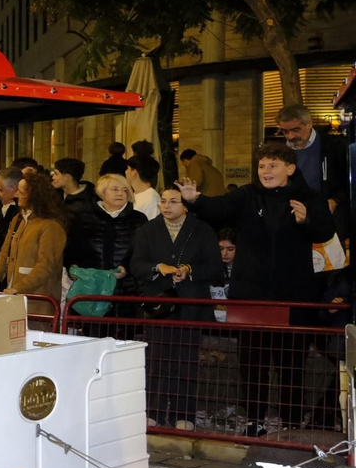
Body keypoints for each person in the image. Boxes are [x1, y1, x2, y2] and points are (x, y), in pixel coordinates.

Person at [181, 141, 336, 434]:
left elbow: (326, 231)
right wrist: (194, 200)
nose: (266, 171)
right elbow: (218, 209)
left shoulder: (308, 197)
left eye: (273, 165)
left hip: (294, 297)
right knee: (252, 365)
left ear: (290, 168)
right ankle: (253, 421)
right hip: (251, 296)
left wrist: (307, 221)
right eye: (262, 165)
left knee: (292, 366)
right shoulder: (247, 195)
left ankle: (291, 425)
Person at [129, 186, 223, 430]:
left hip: (190, 304)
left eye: (173, 201)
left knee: (186, 360)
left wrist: (190, 270)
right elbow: (137, 265)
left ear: (186, 205)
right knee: (156, 359)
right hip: (158, 305)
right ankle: (155, 411)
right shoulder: (148, 230)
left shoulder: (202, 230)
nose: (167, 206)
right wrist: (158, 267)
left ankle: (185, 414)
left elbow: (214, 267)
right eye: (163, 201)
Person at [0, 170, 70, 298]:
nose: (16, 194)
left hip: (38, 297)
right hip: (15, 294)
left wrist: (18, 288)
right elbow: (4, 254)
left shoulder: (51, 225)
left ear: (34, 195)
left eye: (21, 192)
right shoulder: (18, 219)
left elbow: (46, 266)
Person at [64, 174, 146, 303]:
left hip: (127, 290)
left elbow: (142, 251)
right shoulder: (84, 218)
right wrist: (73, 268)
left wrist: (127, 268)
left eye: (125, 190)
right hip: (91, 286)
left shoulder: (138, 219)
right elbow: (72, 249)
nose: (120, 193)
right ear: (102, 192)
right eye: (115, 189)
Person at [278, 103, 349, 210]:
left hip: (327, 211)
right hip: (290, 212)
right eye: (285, 131)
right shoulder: (278, 151)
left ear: (309, 124)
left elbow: (347, 179)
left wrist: (335, 200)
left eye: (296, 130)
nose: (290, 136)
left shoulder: (334, 146)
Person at [125, 154, 161, 220]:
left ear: (134, 172)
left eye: (128, 169)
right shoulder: (133, 195)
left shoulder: (151, 198)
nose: (126, 172)